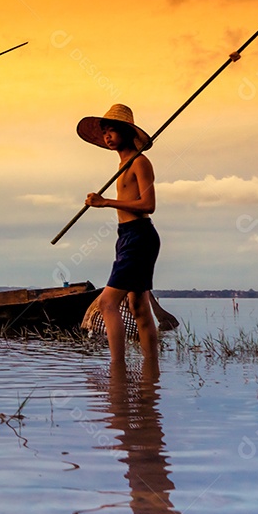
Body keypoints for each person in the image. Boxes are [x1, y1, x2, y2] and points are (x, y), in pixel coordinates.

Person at [78, 104, 160, 370]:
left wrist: (106, 203)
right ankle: (151, 371)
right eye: (105, 132)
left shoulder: (140, 162)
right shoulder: (122, 164)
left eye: (113, 130)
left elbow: (148, 205)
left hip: (140, 236)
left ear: (126, 132)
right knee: (138, 307)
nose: (108, 136)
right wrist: (103, 202)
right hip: (125, 236)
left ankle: (118, 369)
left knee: (107, 302)